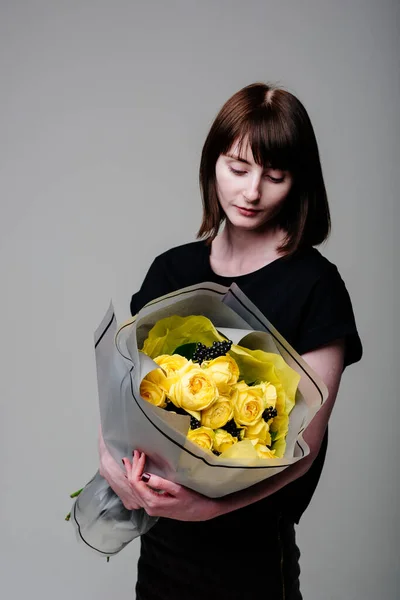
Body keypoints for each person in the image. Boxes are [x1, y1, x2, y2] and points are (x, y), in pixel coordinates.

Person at [98, 82, 362, 599]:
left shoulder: (315, 286)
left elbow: (304, 447)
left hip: (253, 561)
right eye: (238, 168)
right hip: (162, 554)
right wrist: (113, 461)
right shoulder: (170, 271)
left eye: (275, 175)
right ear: (212, 163)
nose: (252, 192)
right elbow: (126, 401)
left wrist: (210, 508)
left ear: (298, 182)